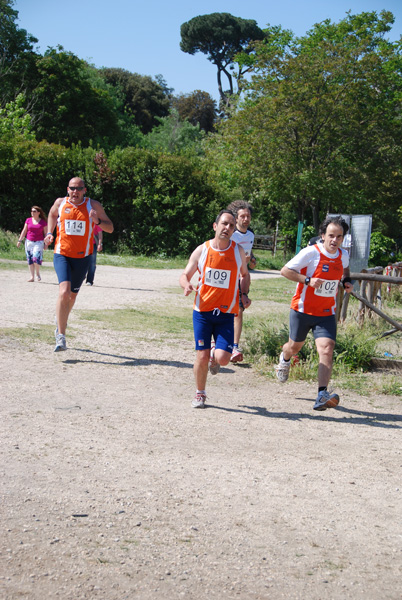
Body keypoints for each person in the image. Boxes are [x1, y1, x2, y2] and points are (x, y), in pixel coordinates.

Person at [275, 216, 353, 411]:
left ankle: (321, 394)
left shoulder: (343, 255)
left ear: (343, 238)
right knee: (294, 348)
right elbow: (285, 271)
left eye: (339, 237)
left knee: (327, 349)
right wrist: (307, 280)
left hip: (326, 313)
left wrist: (346, 281)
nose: (334, 240)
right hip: (302, 310)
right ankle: (284, 359)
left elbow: (345, 270)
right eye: (331, 236)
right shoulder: (311, 253)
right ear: (323, 236)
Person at [180, 210, 251, 409]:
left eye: (231, 225)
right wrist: (186, 285)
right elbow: (185, 274)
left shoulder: (238, 252)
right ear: (215, 226)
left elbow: (244, 275)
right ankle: (200, 393)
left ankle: (215, 354)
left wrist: (243, 294)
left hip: (226, 313)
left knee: (224, 359)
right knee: (200, 356)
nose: (227, 228)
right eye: (224, 224)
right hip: (202, 312)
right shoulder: (202, 250)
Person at [44, 177, 113, 352]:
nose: (75, 191)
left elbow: (110, 228)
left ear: (85, 190)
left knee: (72, 296)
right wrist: (49, 233)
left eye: (79, 188)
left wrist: (96, 221)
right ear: (68, 189)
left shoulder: (93, 205)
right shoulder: (60, 203)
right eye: (72, 188)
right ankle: (61, 335)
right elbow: (52, 215)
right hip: (62, 254)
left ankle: (61, 318)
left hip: (83, 257)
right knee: (64, 291)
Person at [227, 200, 256, 363]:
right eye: (242, 216)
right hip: (227, 277)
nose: (246, 219)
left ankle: (235, 346)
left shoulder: (250, 234)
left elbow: (249, 256)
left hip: (242, 278)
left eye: (248, 216)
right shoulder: (230, 232)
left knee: (238, 310)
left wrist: (251, 261)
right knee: (224, 310)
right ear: (236, 219)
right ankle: (218, 343)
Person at [17, 206, 48, 282]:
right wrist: (19, 240)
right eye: (31, 211)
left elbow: (46, 233)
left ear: (38, 213)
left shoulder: (43, 222)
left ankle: (37, 273)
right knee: (30, 259)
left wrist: (46, 244)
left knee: (36, 258)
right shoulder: (28, 220)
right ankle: (32, 277)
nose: (32, 213)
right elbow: (24, 231)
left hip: (39, 242)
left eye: (34, 211)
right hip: (29, 242)